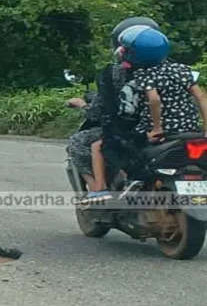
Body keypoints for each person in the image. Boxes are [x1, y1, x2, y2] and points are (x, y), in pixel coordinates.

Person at [86, 26, 207, 201]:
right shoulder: (181, 69)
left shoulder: (143, 73)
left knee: (102, 145)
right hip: (189, 128)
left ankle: (105, 188)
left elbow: (154, 100)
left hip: (159, 130)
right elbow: (201, 96)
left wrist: (157, 128)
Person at [67, 17, 161, 196]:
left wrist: (83, 105)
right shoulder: (177, 71)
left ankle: (98, 189)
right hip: (174, 129)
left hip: (130, 132)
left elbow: (99, 113)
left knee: (78, 143)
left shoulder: (116, 74)